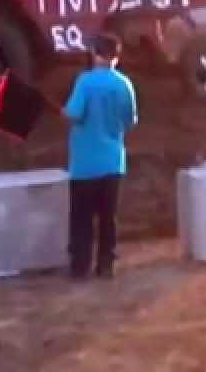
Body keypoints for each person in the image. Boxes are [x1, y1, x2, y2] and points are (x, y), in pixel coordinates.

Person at [62, 33, 137, 280]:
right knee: (108, 218)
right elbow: (130, 121)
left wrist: (63, 111)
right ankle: (106, 265)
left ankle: (80, 266)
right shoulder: (124, 84)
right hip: (113, 161)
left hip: (85, 163)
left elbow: (74, 113)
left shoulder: (85, 82)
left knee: (82, 217)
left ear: (95, 54)